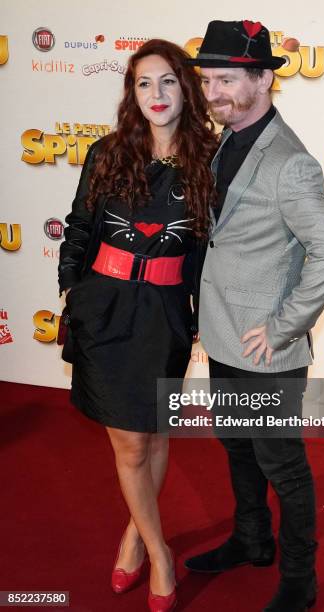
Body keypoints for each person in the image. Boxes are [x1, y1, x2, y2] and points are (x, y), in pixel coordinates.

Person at [184, 20, 324, 612]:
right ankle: (252, 540)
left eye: (226, 79)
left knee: (282, 462)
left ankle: (300, 578)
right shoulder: (228, 138)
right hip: (225, 335)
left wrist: (283, 326)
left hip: (265, 349)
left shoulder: (290, 162)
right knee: (235, 446)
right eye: (208, 81)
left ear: (263, 79)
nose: (214, 93)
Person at [58, 39, 217, 612]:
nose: (156, 94)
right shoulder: (107, 153)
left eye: (168, 81)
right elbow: (79, 224)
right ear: (132, 93)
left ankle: (132, 532)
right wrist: (71, 287)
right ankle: (160, 552)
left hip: (167, 314)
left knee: (153, 432)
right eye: (144, 83)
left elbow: (206, 249)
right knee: (128, 443)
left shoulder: (209, 161)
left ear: (185, 88)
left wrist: (201, 313)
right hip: (105, 309)